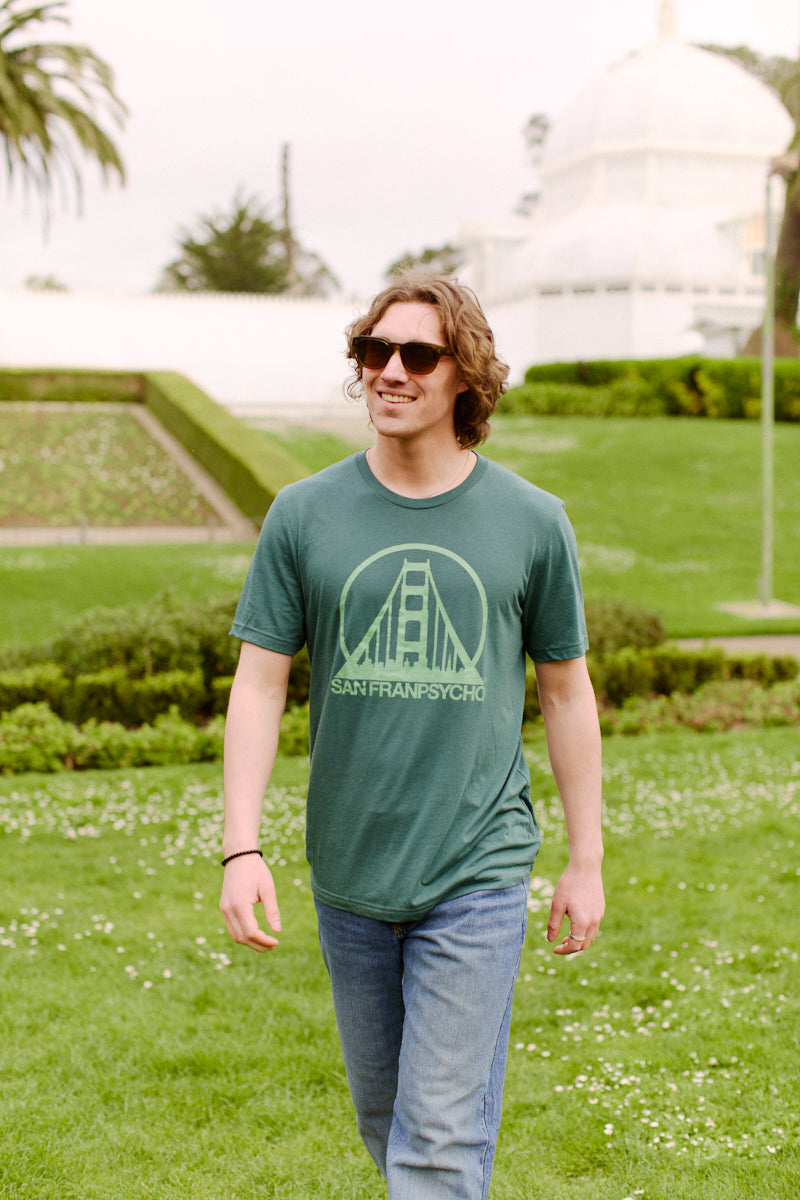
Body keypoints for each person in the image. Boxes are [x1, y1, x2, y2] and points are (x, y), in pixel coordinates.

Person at [220, 274, 605, 1199]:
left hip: (477, 868)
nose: (390, 371)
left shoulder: (532, 521)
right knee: (388, 1121)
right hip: (350, 870)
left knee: (435, 1143)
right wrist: (241, 846)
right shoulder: (304, 513)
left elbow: (565, 695)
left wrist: (586, 858)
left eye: (418, 354)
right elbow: (261, 683)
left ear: (464, 375)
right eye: (374, 350)